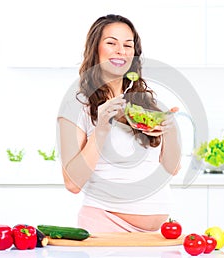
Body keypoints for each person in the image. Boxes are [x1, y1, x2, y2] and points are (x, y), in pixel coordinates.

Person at [57, 14, 181, 233]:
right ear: (95, 48)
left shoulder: (147, 105)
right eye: (111, 43)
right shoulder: (77, 105)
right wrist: (102, 128)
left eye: (127, 45)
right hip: (105, 226)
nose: (121, 50)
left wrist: (170, 130)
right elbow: (72, 183)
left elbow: (171, 168)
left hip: (158, 233)